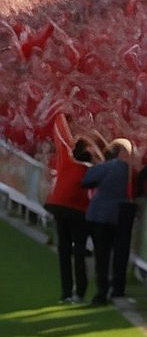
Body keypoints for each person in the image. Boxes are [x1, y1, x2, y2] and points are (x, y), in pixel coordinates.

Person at [44, 125, 96, 303]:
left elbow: (59, 132)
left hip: (59, 206)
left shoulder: (65, 161)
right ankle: (80, 292)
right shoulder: (92, 170)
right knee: (79, 251)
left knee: (64, 250)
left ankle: (66, 292)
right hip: (78, 211)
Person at [81, 138, 133, 305]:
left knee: (102, 256)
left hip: (99, 215)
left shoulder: (108, 167)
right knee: (118, 253)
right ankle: (116, 289)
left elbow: (87, 180)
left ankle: (101, 291)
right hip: (117, 214)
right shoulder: (123, 167)